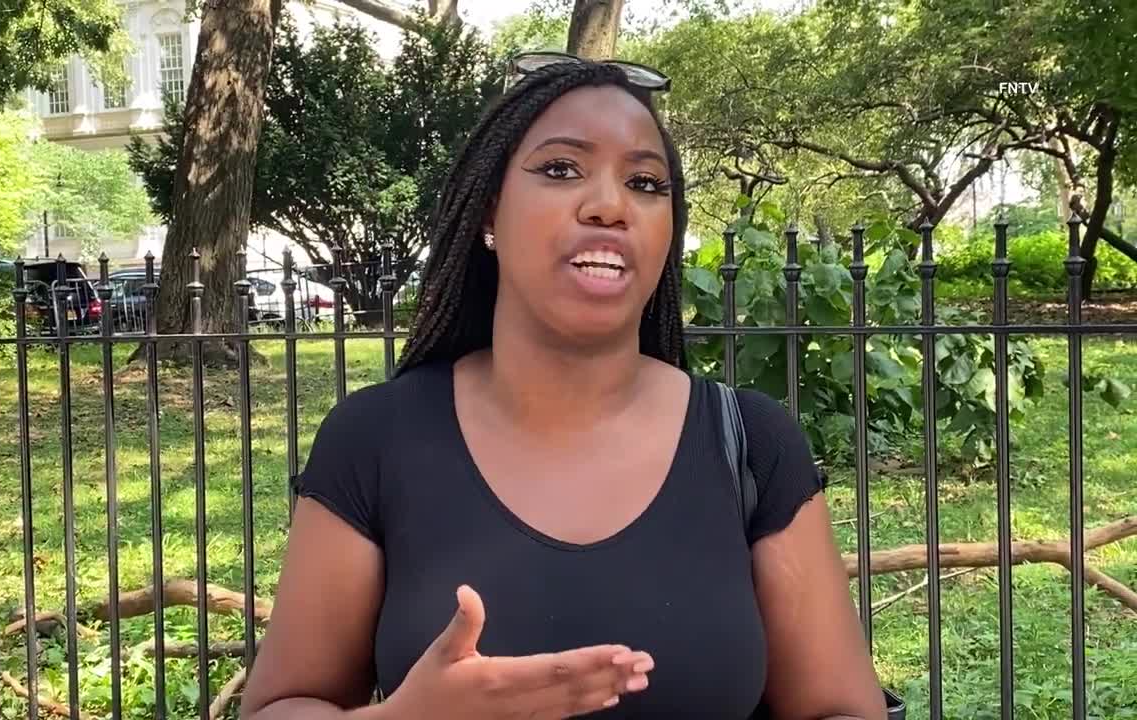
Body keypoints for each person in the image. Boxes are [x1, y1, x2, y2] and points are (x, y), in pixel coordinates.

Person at [241, 54, 886, 719]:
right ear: (489, 208)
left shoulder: (749, 444)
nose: (610, 205)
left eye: (645, 182)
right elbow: (282, 704)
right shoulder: (375, 440)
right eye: (560, 169)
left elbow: (843, 708)